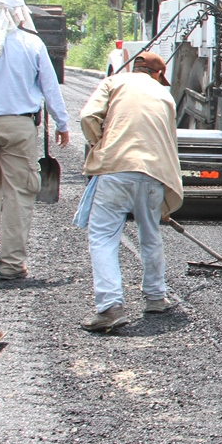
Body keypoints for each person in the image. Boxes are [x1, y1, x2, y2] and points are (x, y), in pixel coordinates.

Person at [76, 51, 185, 333]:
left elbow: (88, 115)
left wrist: (98, 144)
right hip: (153, 173)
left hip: (116, 169)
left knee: (103, 236)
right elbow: (168, 141)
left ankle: (111, 306)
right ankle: (155, 297)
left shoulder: (114, 82)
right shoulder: (165, 97)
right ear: (159, 74)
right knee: (150, 233)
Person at [0, 0, 70, 280]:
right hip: (19, 126)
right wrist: (62, 124)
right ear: (19, 13)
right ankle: (12, 264)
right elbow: (50, 88)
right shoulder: (32, 43)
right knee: (19, 190)